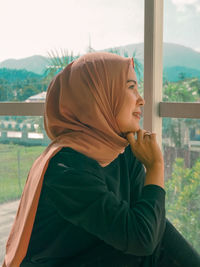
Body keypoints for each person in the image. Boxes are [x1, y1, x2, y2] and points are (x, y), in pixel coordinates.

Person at [2, 52, 200, 267]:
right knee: (146, 245)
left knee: (156, 231)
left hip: (97, 256)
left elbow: (149, 228)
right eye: (131, 87)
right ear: (99, 97)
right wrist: (156, 166)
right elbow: (142, 240)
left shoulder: (124, 153)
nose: (141, 99)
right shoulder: (65, 168)